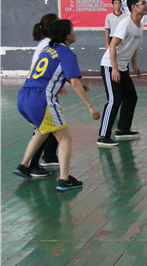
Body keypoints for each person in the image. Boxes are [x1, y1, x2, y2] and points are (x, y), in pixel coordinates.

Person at [15, 19, 101, 190]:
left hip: (24, 95)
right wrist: (90, 106)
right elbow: (75, 83)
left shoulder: (48, 49)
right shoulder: (66, 53)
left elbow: (55, 73)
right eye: (72, 29)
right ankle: (64, 179)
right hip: (41, 98)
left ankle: (23, 165)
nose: (75, 32)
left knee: (42, 131)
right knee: (64, 138)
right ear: (67, 35)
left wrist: (74, 82)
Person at [98, 0, 147, 147]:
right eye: (143, 3)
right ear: (134, 7)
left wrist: (134, 65)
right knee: (114, 99)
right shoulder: (126, 23)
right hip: (109, 65)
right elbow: (113, 45)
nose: (146, 5)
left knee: (131, 97)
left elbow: (133, 46)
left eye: (145, 2)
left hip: (123, 67)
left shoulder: (140, 25)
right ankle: (103, 136)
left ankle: (123, 130)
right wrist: (114, 68)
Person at [25, 14, 61, 177]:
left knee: (53, 123)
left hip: (41, 89)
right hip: (38, 92)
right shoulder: (48, 44)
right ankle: (31, 164)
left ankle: (49, 156)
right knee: (42, 128)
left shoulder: (46, 43)